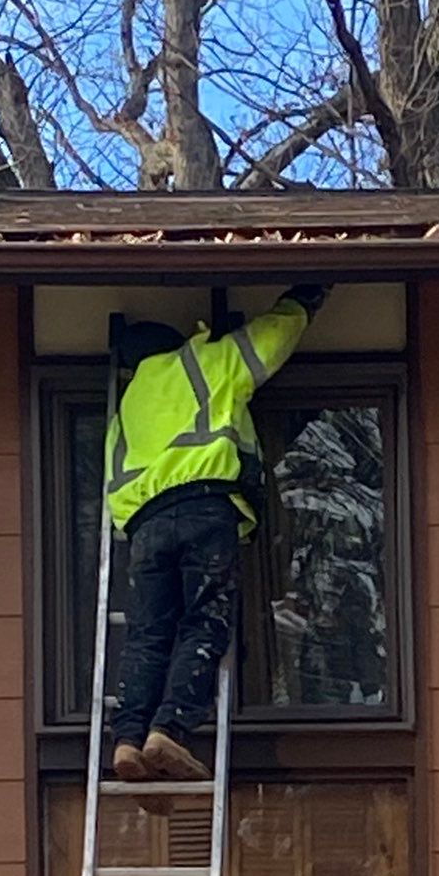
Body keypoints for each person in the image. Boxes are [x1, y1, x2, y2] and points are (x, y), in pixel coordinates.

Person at [104, 285, 328, 795]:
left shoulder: (127, 410)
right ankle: (169, 731)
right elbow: (269, 340)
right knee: (204, 621)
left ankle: (127, 741)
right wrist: (306, 297)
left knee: (147, 635)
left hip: (143, 527)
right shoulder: (201, 364)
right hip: (207, 508)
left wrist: (140, 532)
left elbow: (114, 488)